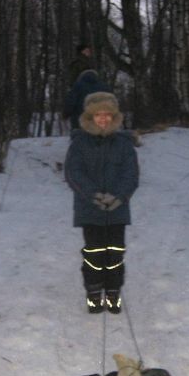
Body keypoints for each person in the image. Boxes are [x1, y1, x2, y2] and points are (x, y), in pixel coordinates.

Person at [65, 92, 139, 314]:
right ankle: (94, 293)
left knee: (115, 253)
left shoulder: (124, 144)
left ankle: (113, 292)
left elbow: (131, 175)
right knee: (95, 253)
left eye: (108, 114)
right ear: (90, 117)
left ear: (114, 117)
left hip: (118, 209)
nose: (103, 119)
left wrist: (119, 197)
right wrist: (94, 195)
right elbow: (73, 174)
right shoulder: (78, 143)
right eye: (98, 114)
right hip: (90, 209)